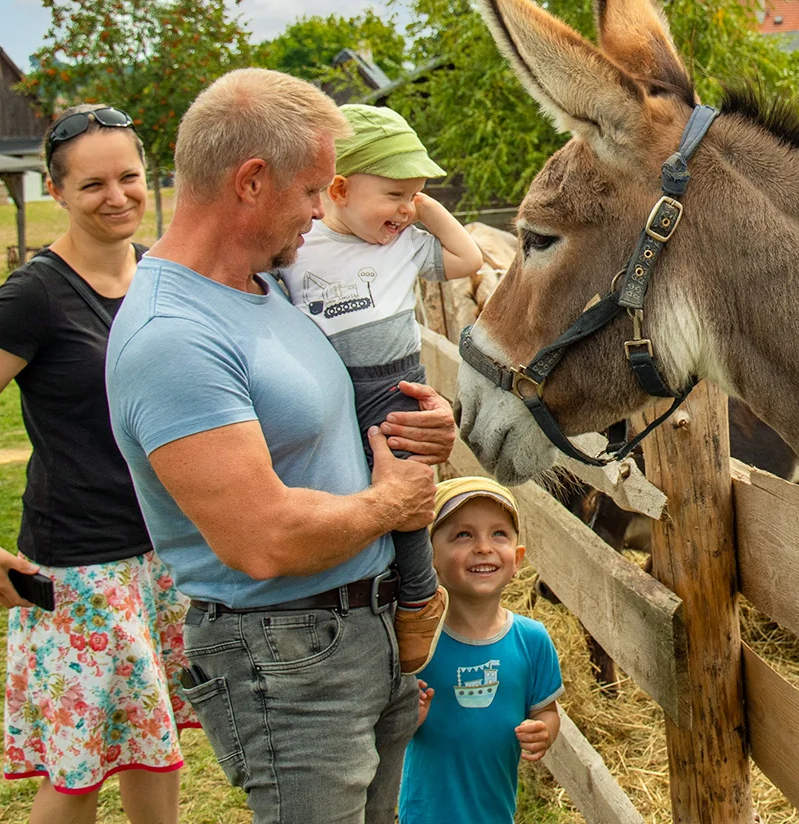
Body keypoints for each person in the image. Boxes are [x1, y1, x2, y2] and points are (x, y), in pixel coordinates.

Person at [104, 68, 457, 823]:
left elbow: (326, 426)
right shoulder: (174, 336)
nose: (319, 213)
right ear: (252, 181)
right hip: (288, 649)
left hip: (358, 627)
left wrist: (421, 428)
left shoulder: (267, 289)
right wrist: (394, 503)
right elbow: (262, 539)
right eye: (311, 191)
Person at [0, 103, 191, 824]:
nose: (117, 196)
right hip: (80, 565)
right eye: (92, 184)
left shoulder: (161, 276)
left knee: (153, 747)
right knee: (78, 770)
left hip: (161, 553)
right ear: (57, 191)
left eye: (128, 177)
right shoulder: (36, 295)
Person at [273, 104, 482, 674]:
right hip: (327, 385)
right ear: (339, 189)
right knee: (346, 486)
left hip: (395, 386)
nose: (406, 208)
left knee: (408, 487)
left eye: (415, 195)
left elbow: (468, 258)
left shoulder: (404, 244)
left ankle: (417, 594)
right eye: (394, 194)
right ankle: (354, 591)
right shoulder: (301, 245)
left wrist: (425, 208)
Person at [399, 478, 563, 824]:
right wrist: (405, 720)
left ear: (517, 558)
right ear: (429, 557)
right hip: (425, 815)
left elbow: (546, 711)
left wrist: (544, 731)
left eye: (499, 534)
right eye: (463, 535)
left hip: (496, 813)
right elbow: (385, 726)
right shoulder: (416, 642)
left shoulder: (532, 640)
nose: (484, 548)